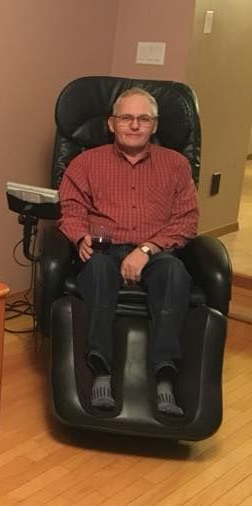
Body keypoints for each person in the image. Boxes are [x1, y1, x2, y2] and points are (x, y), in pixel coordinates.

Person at [58, 87, 198, 419]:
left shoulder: (176, 165)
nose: (135, 125)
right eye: (126, 118)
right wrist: (80, 237)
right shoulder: (85, 163)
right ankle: (101, 369)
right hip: (104, 249)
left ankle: (164, 373)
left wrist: (146, 250)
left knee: (174, 273)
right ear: (111, 123)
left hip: (156, 251)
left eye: (143, 119)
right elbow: (71, 209)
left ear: (155, 125)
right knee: (98, 270)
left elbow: (187, 220)